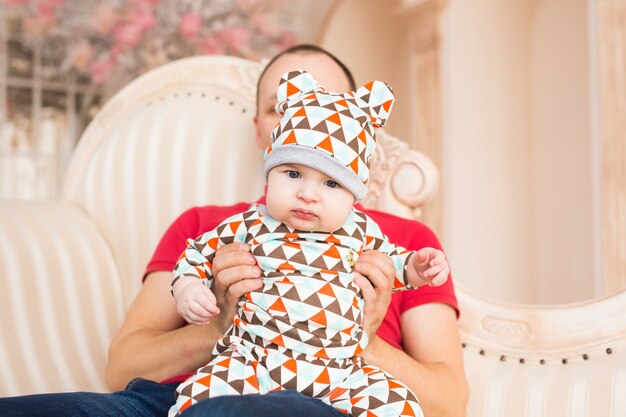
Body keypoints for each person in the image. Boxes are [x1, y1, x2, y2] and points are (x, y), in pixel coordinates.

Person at [0, 44, 468, 417]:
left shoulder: (403, 240)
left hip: (330, 398)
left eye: (331, 111)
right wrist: (225, 324)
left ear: (360, 144)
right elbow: (122, 369)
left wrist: (360, 337)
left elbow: (450, 404)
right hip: (189, 394)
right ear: (262, 129)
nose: (314, 126)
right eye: (287, 107)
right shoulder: (208, 226)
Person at [168, 70, 449, 417]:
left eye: (331, 184)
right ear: (269, 167)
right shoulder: (251, 223)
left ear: (353, 196)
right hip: (253, 362)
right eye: (293, 173)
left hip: (342, 373)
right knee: (200, 401)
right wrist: (188, 289)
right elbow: (195, 253)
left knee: (400, 405)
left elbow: (395, 263)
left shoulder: (362, 230)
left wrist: (417, 268)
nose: (307, 193)